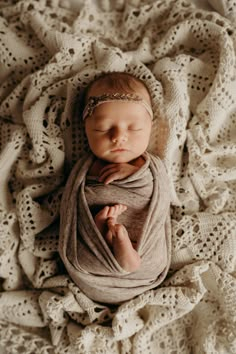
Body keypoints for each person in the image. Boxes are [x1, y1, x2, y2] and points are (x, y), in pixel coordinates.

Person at [59, 72, 171, 304]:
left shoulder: (150, 166)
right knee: (100, 222)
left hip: (145, 259)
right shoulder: (82, 168)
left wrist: (134, 173)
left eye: (134, 128)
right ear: (86, 128)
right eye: (103, 128)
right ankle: (111, 235)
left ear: (150, 127)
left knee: (122, 237)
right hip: (90, 264)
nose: (119, 137)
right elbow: (73, 205)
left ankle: (121, 243)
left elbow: (160, 191)